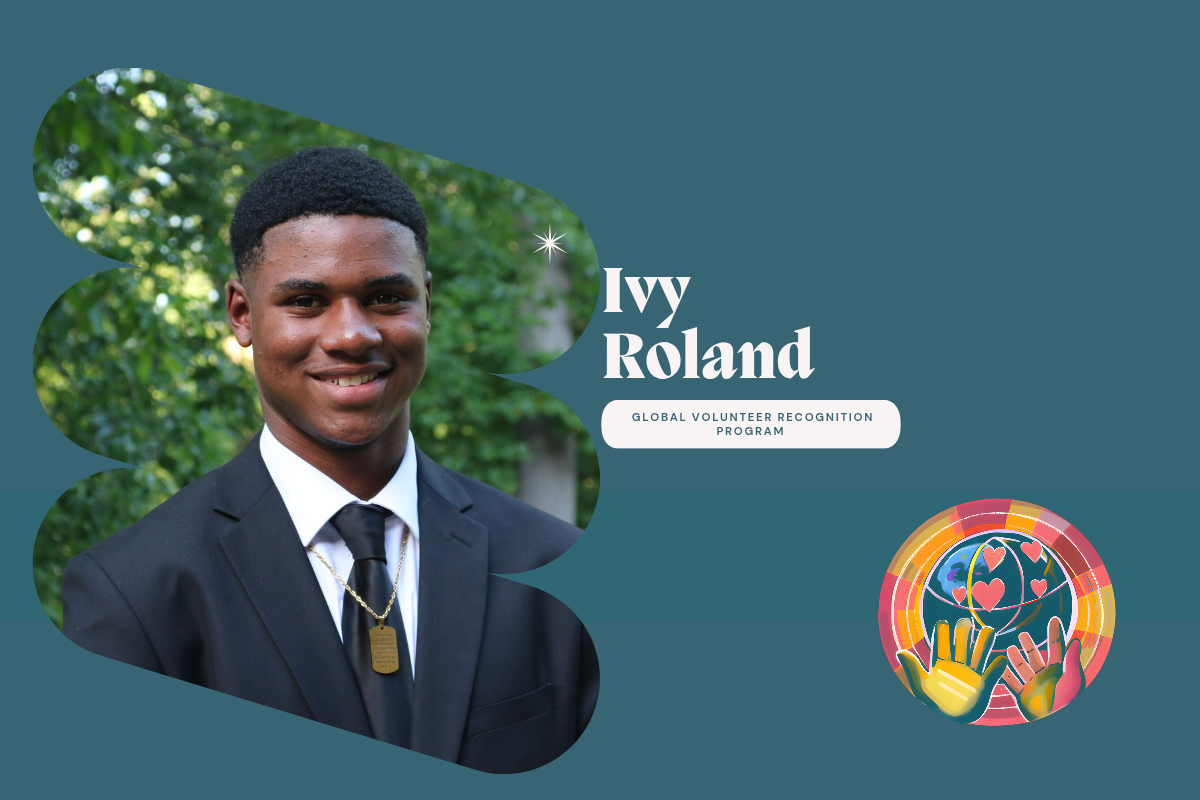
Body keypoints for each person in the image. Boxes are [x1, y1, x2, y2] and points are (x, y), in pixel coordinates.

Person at [61, 147, 598, 774]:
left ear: (427, 304)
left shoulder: (555, 569)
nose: (351, 335)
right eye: (306, 302)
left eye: (385, 297)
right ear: (242, 314)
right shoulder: (135, 592)